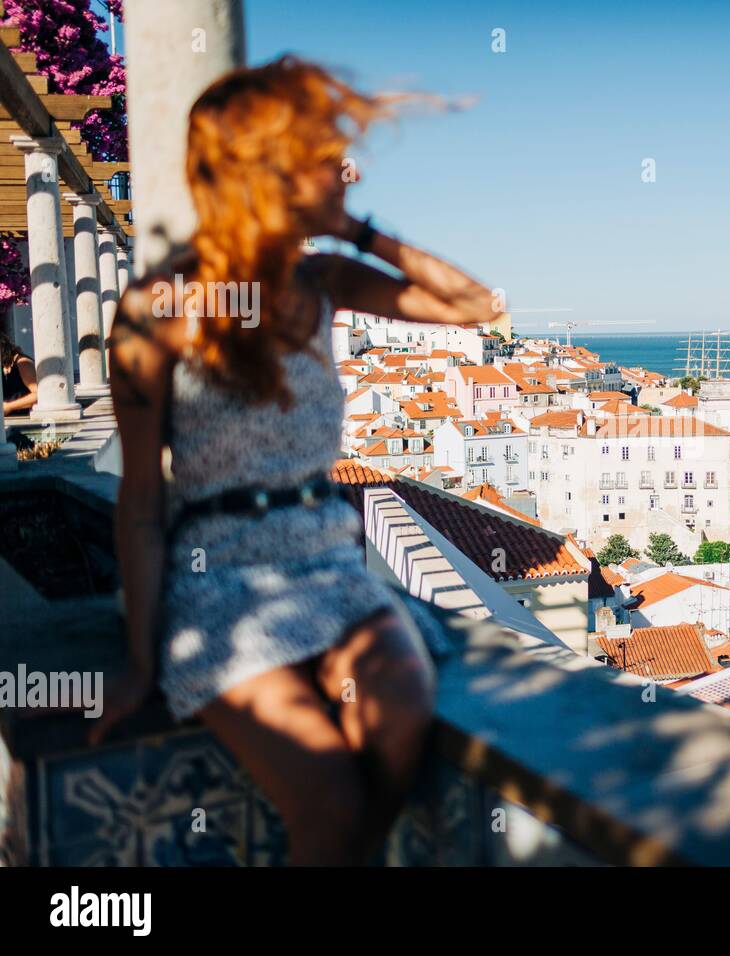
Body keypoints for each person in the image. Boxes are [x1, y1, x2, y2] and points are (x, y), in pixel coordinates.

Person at [94, 57, 496, 865]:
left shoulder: (324, 279)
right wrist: (143, 660)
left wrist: (352, 227)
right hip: (218, 583)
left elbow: (477, 307)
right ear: (263, 172)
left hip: (332, 565)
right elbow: (140, 499)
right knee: (326, 794)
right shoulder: (159, 310)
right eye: (320, 154)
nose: (342, 167)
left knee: (401, 720)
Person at [1, 326, 37, 418]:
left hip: (25, 418)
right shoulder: (3, 366)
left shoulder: (23, 363)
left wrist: (9, 406)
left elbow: (39, 395)